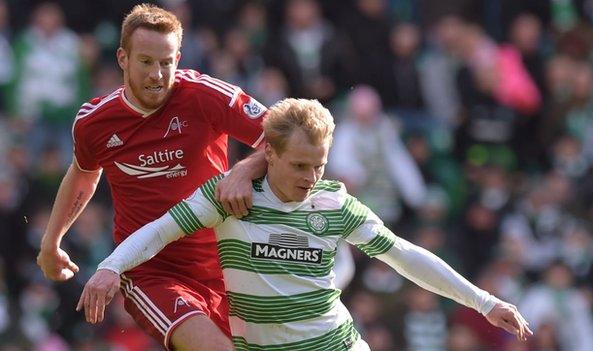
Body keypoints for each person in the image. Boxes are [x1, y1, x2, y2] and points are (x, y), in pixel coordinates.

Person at [78, 98, 533, 350]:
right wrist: (111, 267)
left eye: (318, 165)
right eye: (299, 165)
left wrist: (484, 301)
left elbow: (403, 254)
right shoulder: (231, 198)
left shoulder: (334, 203)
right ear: (268, 153)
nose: (310, 178)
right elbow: (159, 230)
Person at [36, 4, 268, 350]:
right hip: (151, 271)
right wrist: (51, 242)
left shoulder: (206, 96)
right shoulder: (94, 122)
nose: (157, 75)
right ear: (122, 58)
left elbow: (283, 139)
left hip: (227, 263)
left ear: (178, 57)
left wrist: (245, 169)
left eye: (166, 62)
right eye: (145, 62)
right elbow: (84, 174)